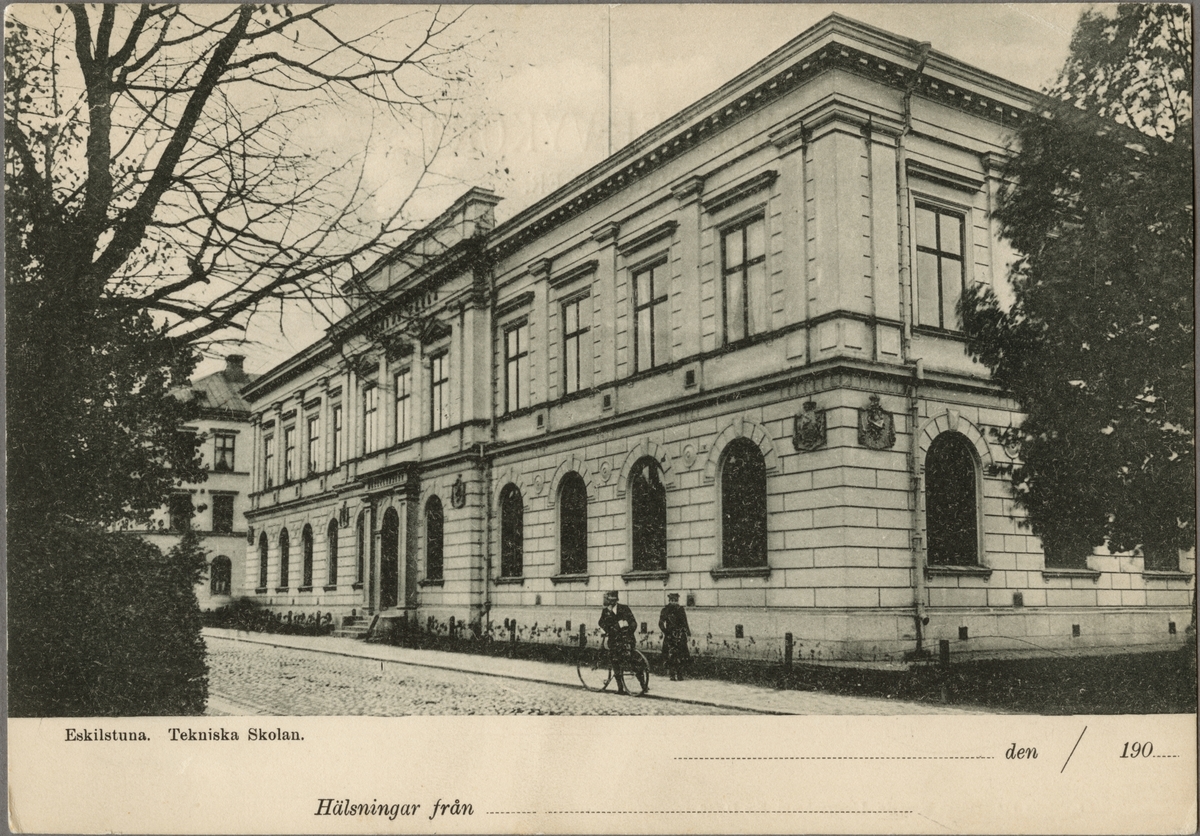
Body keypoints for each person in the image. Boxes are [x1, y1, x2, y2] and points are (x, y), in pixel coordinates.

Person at [598, 590, 646, 695]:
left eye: (613, 600)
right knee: (615, 663)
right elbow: (601, 623)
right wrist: (610, 628)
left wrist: (628, 630)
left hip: (627, 639)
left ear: (617, 600)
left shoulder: (624, 608)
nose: (611, 602)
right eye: (609, 600)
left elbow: (633, 622)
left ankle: (643, 685)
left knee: (634, 662)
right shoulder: (605, 611)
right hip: (614, 641)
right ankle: (620, 688)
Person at [658, 592, 691, 681]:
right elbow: (661, 623)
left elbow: (685, 622)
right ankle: (672, 675)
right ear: (669, 601)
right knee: (671, 655)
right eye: (672, 600)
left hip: (680, 635)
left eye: (675, 600)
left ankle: (680, 674)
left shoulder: (680, 609)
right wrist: (665, 631)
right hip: (670, 635)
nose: (674, 602)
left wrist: (688, 634)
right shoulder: (665, 610)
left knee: (681, 655)